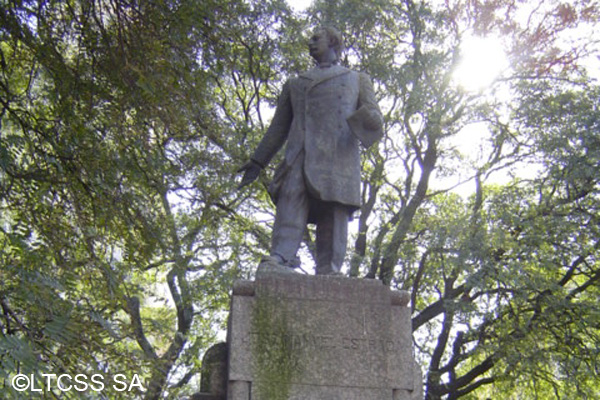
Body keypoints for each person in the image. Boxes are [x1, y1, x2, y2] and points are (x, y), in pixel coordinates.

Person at [238, 27, 383, 275]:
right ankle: (281, 256)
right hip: (299, 154)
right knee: (290, 199)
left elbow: (375, 119)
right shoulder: (295, 84)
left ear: (333, 42)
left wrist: (370, 117)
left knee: (334, 212)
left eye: (317, 38)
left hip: (339, 157)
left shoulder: (356, 79)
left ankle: (330, 268)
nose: (311, 42)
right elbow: (278, 128)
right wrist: (258, 161)